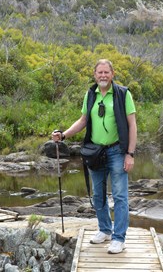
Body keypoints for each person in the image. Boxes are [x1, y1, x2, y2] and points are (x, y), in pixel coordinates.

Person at [52, 59, 137, 254]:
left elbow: (132, 125)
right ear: (95, 74)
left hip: (117, 151)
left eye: (106, 72)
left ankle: (118, 238)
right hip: (95, 153)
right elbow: (83, 120)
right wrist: (64, 135)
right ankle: (105, 229)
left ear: (112, 74)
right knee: (98, 195)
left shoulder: (123, 94)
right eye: (100, 72)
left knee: (120, 196)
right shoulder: (90, 94)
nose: (103, 75)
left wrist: (130, 154)